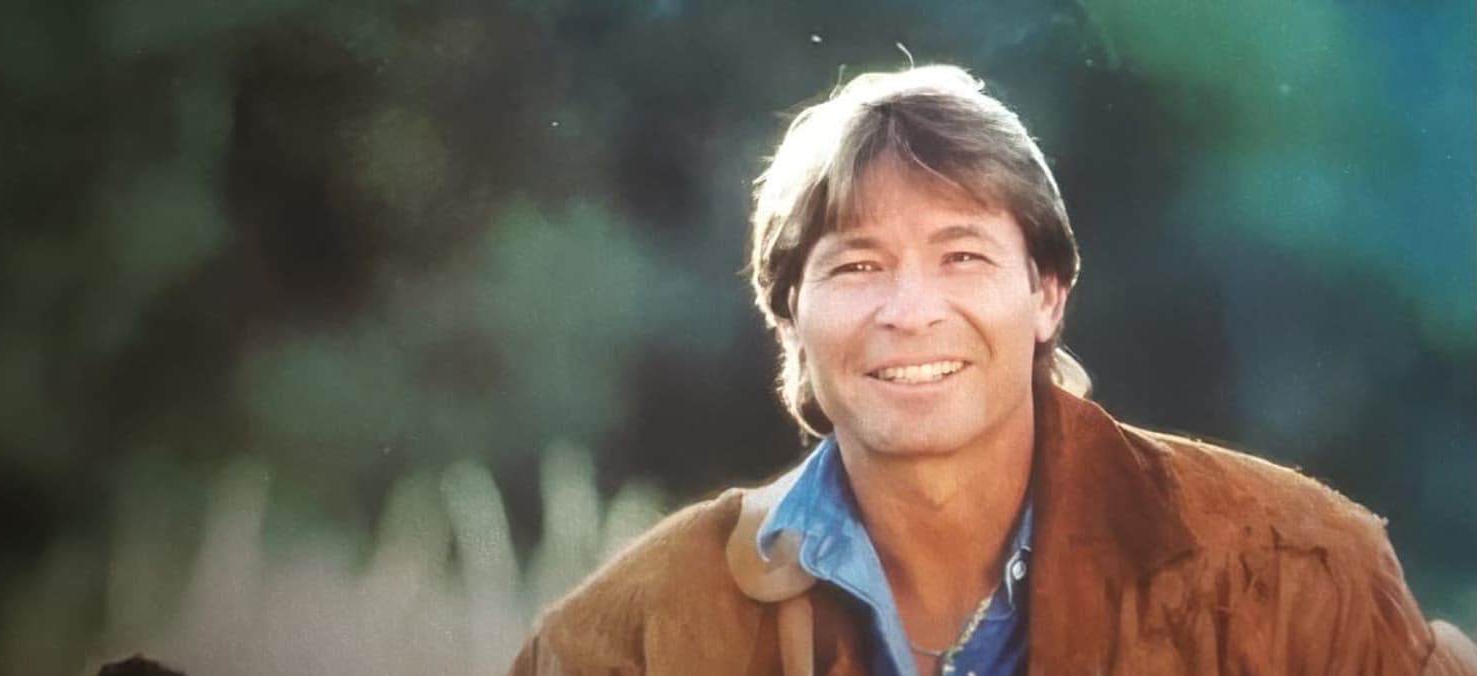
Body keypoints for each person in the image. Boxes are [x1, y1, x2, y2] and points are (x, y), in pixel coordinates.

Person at [505, 64, 1477, 676]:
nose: (911, 309)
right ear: (789, 314)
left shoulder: (1294, 573)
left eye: (963, 255)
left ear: (1047, 295)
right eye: (856, 266)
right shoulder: (635, 636)